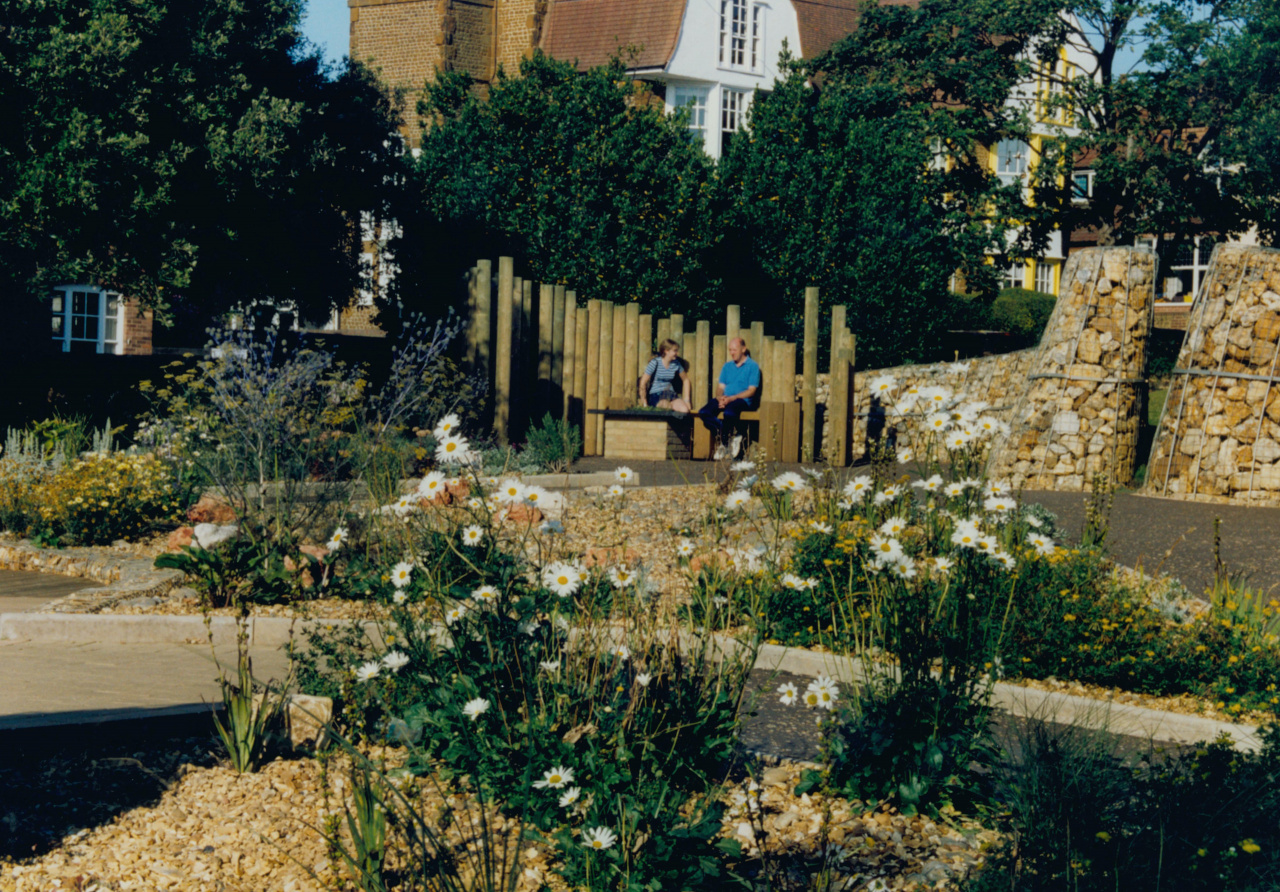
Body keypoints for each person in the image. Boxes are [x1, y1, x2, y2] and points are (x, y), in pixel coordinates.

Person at [697, 337, 761, 459]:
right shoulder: (727, 366)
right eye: (730, 350)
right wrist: (720, 398)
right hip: (725, 398)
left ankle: (724, 443)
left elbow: (751, 391)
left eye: (734, 350)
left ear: (743, 349)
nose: (732, 353)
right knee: (704, 412)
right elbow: (720, 387)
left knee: (729, 413)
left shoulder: (752, 366)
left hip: (741, 400)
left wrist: (732, 398)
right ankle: (728, 437)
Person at [638, 338, 692, 412]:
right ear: (666, 351)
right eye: (675, 351)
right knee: (666, 407)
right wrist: (644, 402)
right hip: (656, 394)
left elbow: (685, 380)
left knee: (684, 410)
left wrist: (687, 400)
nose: (677, 353)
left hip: (670, 394)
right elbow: (643, 381)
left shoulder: (676, 364)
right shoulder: (655, 362)